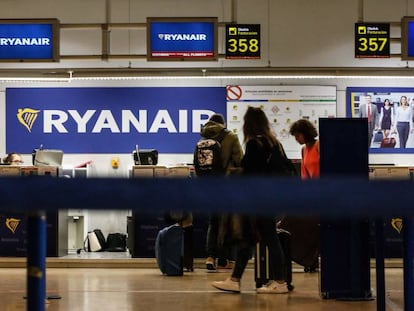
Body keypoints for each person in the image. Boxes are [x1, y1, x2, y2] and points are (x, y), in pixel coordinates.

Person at [211, 106, 289, 294]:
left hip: (257, 198)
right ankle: (237, 279)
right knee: (254, 238)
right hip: (272, 197)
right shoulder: (274, 143)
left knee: (260, 238)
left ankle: (278, 281)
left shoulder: (255, 144)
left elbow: (249, 171)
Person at [200, 113, 244, 272]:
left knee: (213, 222)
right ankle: (224, 260)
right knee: (226, 223)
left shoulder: (202, 139)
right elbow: (240, 160)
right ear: (223, 123)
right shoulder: (231, 137)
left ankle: (210, 257)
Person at [284, 119, 320, 272]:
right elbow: (305, 177)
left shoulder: (319, 146)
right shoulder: (304, 150)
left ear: (305, 133)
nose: (296, 139)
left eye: (298, 135)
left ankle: (310, 257)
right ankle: (307, 258)